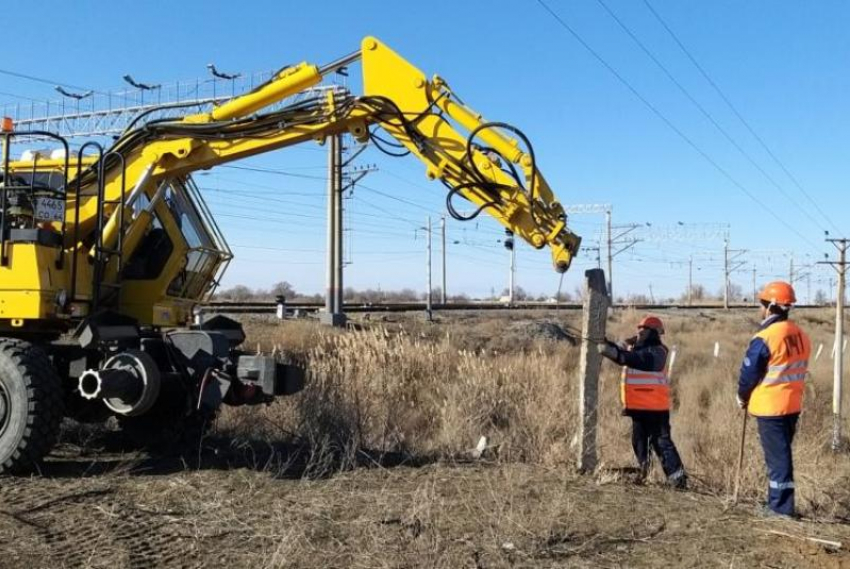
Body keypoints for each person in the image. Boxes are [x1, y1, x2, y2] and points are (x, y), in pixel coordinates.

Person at [737, 281, 810, 518]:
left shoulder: (766, 337)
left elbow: (749, 375)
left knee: (778, 460)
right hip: (792, 404)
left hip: (771, 407)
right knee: (782, 456)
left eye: (762, 304)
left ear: (770, 307)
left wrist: (742, 396)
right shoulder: (800, 334)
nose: (760, 308)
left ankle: (780, 510)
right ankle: (776, 504)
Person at [598, 316, 687, 488]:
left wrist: (615, 353)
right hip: (637, 407)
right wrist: (611, 345)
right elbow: (622, 350)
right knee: (638, 441)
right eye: (639, 330)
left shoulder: (659, 351)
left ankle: (678, 480)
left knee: (661, 443)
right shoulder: (634, 348)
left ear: (654, 333)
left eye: (644, 330)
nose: (639, 333)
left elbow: (636, 359)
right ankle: (645, 473)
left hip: (655, 408)